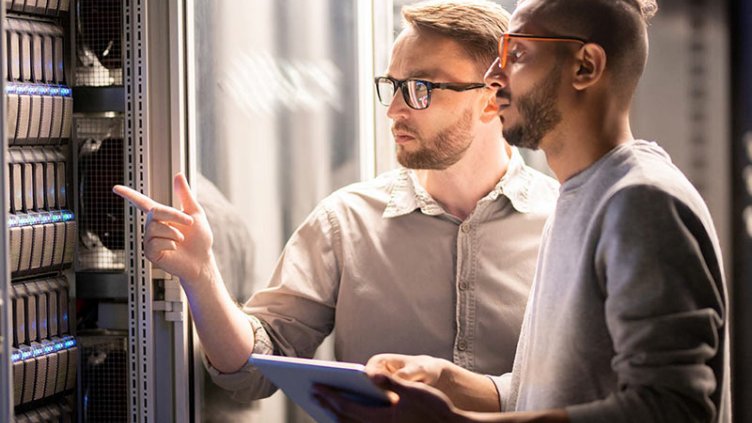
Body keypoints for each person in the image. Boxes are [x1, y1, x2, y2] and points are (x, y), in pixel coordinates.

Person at [113, 0, 558, 404]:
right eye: (392, 85)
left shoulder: (564, 223)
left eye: (420, 88)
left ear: (491, 98)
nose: (394, 110)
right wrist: (201, 274)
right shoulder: (345, 221)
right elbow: (249, 372)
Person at [314, 0, 732, 421]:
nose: (493, 79)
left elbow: (673, 407)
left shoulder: (642, 203)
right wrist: (451, 381)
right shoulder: (581, 197)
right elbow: (562, 387)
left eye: (516, 56)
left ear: (585, 66)